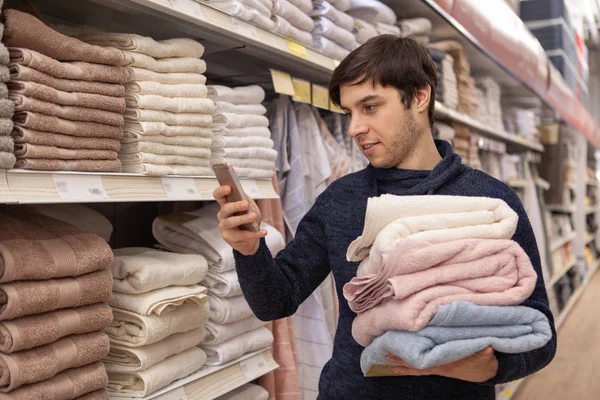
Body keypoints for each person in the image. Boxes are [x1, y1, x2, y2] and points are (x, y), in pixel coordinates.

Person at [213, 35, 556, 399]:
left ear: (420, 96)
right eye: (349, 112)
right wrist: (249, 250)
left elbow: (539, 330)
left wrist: (492, 367)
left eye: (370, 107)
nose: (354, 128)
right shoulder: (341, 199)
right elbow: (276, 300)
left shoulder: (491, 202)